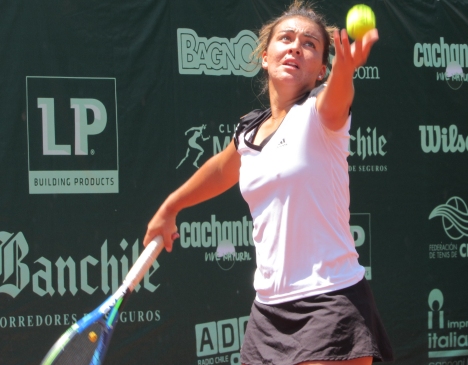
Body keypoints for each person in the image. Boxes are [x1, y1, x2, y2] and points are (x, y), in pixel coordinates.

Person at [144, 2, 393, 364]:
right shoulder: (248, 130)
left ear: (322, 68)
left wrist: (345, 70)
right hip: (268, 311)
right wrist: (170, 207)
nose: (295, 47)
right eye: (286, 38)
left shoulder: (320, 111)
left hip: (330, 301)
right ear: (265, 56)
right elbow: (219, 170)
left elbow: (338, 97)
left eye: (309, 44)